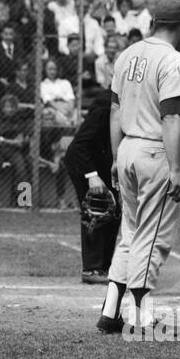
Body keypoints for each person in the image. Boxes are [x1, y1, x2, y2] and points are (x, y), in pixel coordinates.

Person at [94, 0, 180, 334]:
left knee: (130, 234)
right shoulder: (173, 58)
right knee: (152, 237)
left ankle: (110, 312)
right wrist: (177, 169)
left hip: (127, 148)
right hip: (154, 152)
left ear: (154, 22)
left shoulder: (127, 54)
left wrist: (114, 155)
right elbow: (171, 118)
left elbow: (114, 111)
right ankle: (140, 316)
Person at [62, 92, 119, 284]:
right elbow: (80, 145)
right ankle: (92, 269)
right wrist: (92, 176)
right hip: (84, 163)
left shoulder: (134, 103)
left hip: (105, 164)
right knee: (97, 208)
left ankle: (105, 267)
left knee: (114, 212)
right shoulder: (105, 105)